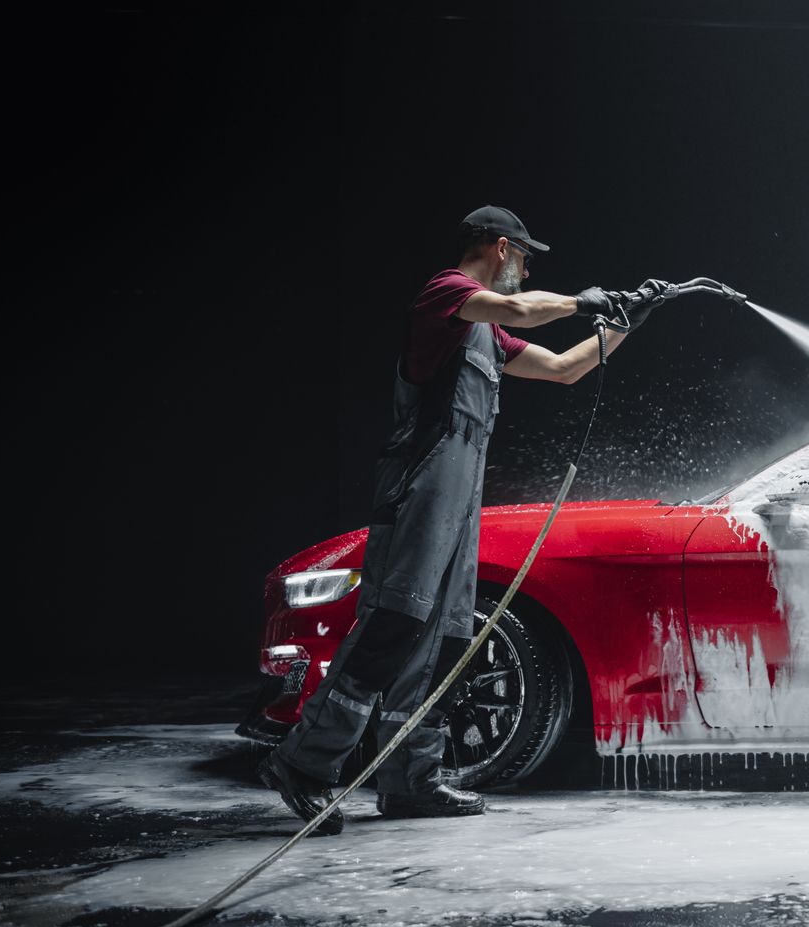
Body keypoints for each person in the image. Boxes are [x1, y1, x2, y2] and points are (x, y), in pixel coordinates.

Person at [258, 206, 672, 832]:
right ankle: (306, 764)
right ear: (500, 248)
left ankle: (411, 779)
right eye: (525, 257)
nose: (527, 267)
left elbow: (563, 371)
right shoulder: (447, 294)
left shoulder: (487, 332)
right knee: (394, 623)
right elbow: (525, 308)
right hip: (420, 486)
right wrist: (582, 302)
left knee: (450, 638)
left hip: (459, 494)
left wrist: (621, 325)